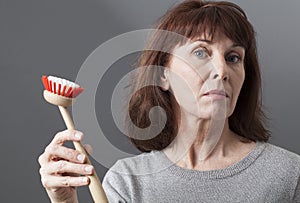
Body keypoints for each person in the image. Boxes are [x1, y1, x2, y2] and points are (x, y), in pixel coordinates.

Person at [38, 0, 300, 202]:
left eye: (233, 57)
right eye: (201, 52)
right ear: (162, 74)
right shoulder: (128, 182)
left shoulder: (289, 174)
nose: (221, 70)